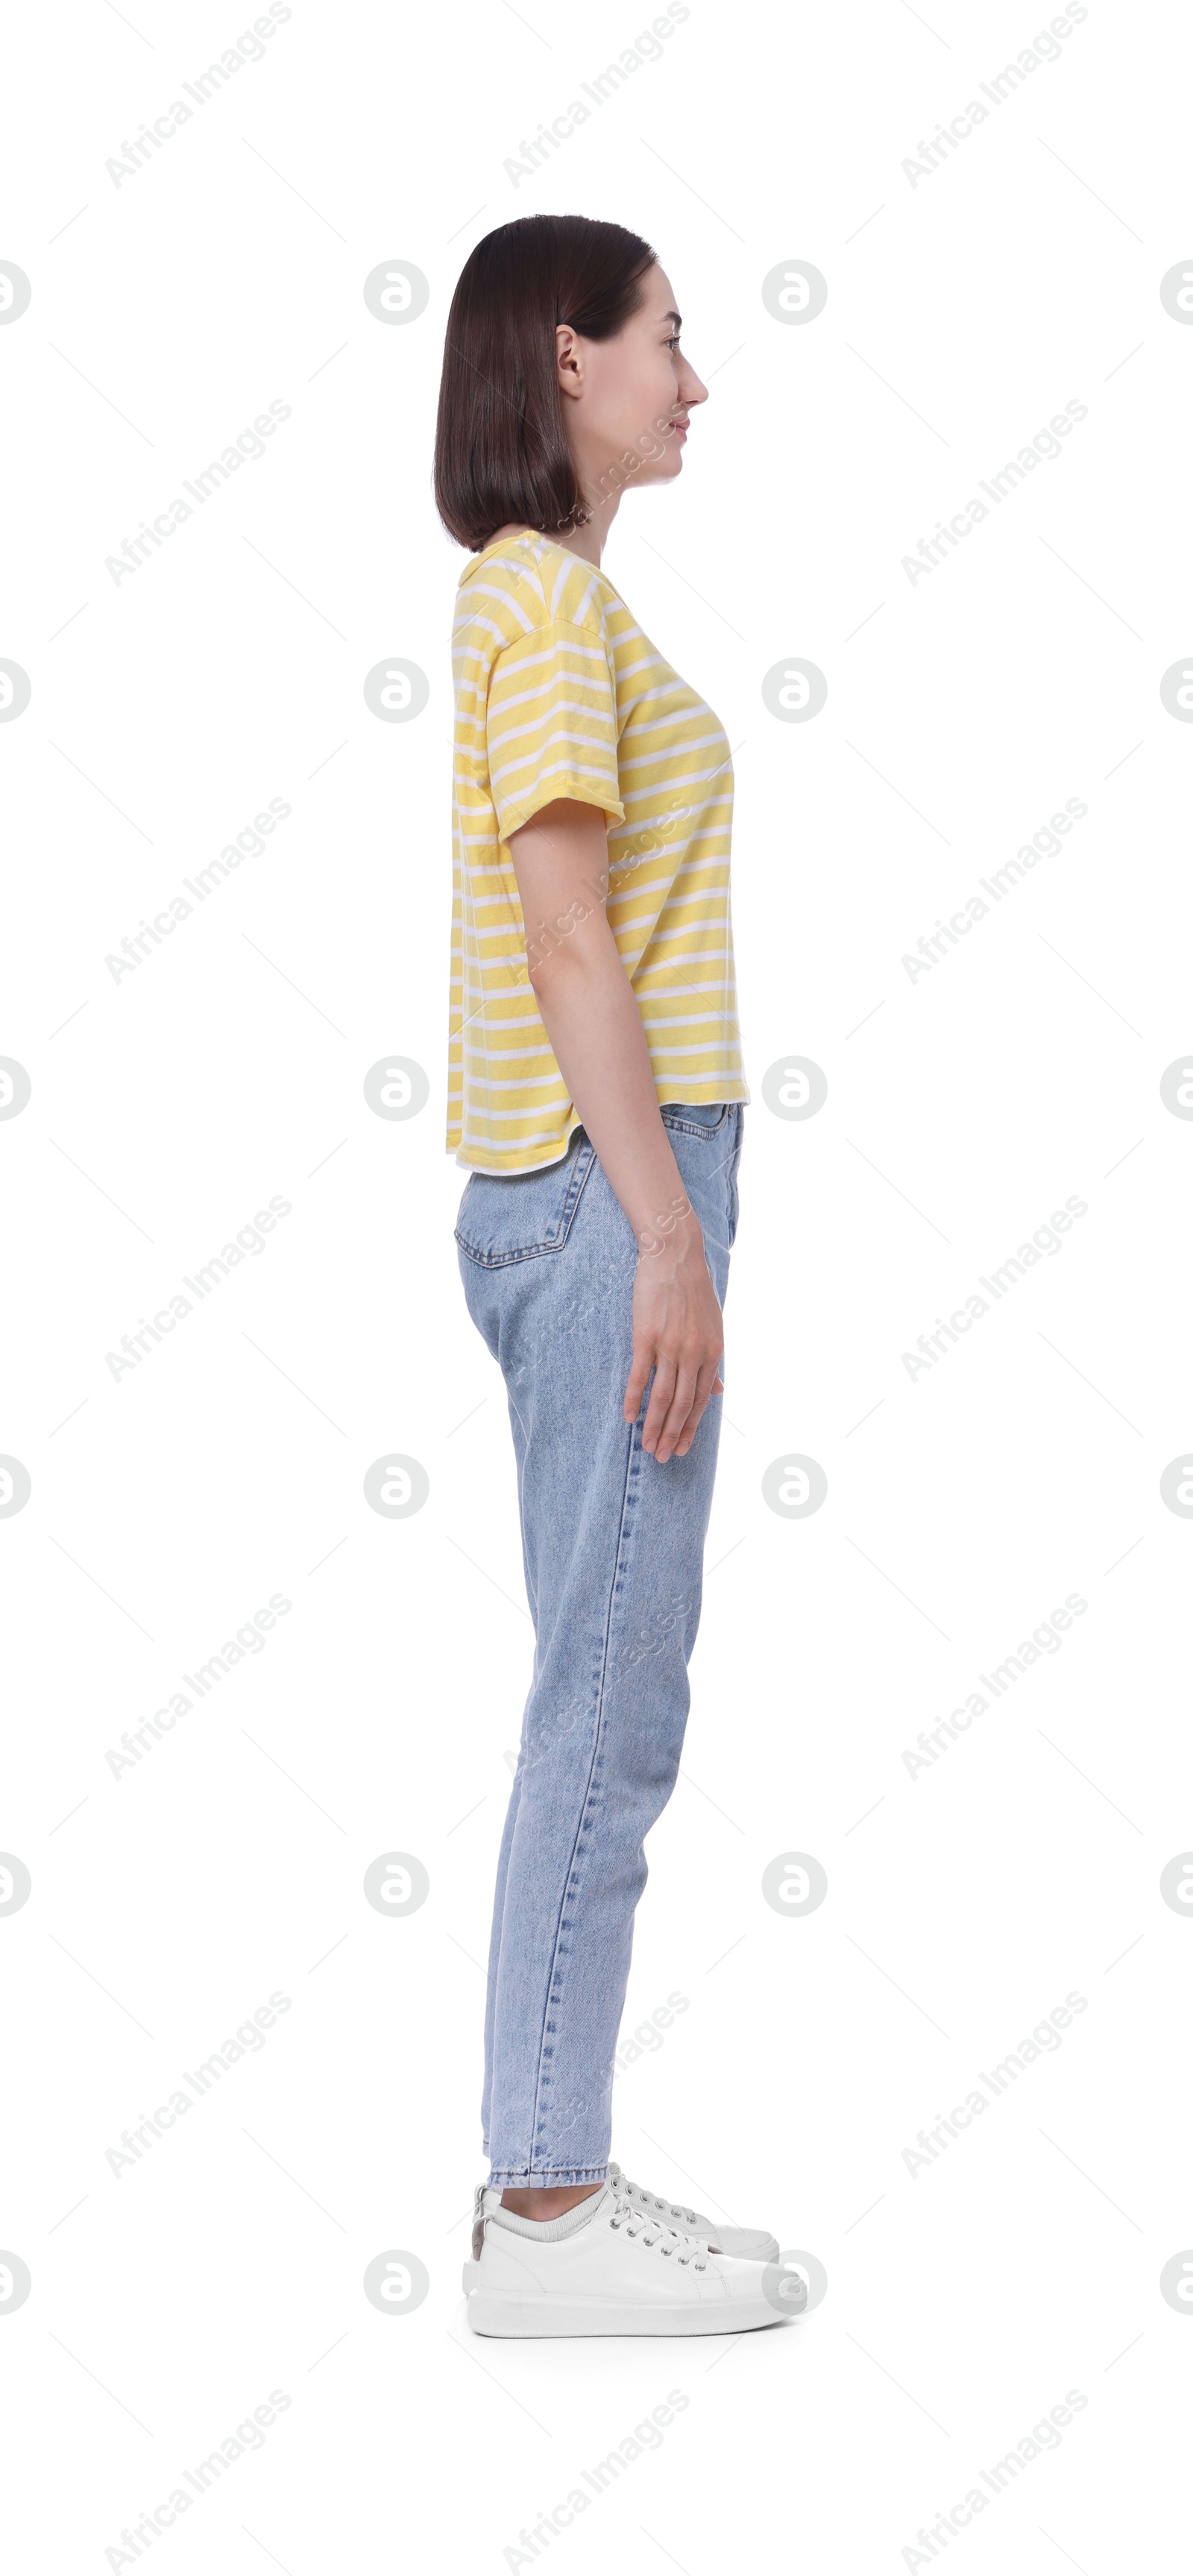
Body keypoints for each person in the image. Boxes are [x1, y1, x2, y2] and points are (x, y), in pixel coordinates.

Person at [435, 213, 794, 2337]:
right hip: (608, 1190)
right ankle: (549, 2215)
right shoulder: (549, 607)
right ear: (560, 360)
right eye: (667, 334)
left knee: (604, 1678)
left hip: (586, 1187)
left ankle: (546, 2189)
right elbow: (571, 945)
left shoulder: (538, 604)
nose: (694, 373)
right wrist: (668, 1227)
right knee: (611, 1693)